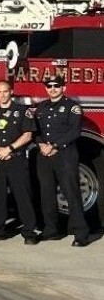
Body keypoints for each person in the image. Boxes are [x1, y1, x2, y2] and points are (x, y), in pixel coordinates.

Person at [33, 75, 91, 247]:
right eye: (49, 86)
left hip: (65, 155)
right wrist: (41, 144)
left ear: (63, 88)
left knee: (71, 193)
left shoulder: (72, 107)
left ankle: (81, 234)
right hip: (44, 155)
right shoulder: (41, 107)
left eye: (56, 86)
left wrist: (55, 146)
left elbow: (75, 131)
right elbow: (34, 131)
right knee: (47, 193)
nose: (52, 89)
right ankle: (51, 230)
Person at [0, 80, 39, 245]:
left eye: (5, 91)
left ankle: (29, 231)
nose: (2, 95)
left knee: (23, 195)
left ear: (11, 92)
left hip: (16, 158)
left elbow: (28, 135)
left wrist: (9, 149)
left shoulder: (22, 111)